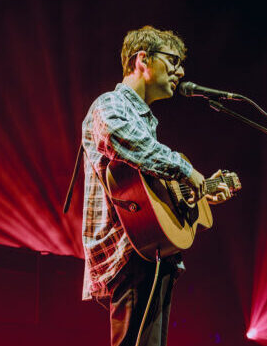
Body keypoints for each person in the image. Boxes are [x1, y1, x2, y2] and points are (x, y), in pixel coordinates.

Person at [80, 26, 232, 346]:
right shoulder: (110, 104)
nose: (181, 71)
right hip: (130, 251)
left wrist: (200, 192)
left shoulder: (144, 121)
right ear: (143, 60)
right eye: (173, 61)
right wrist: (188, 171)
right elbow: (123, 139)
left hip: (151, 251)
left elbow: (147, 190)